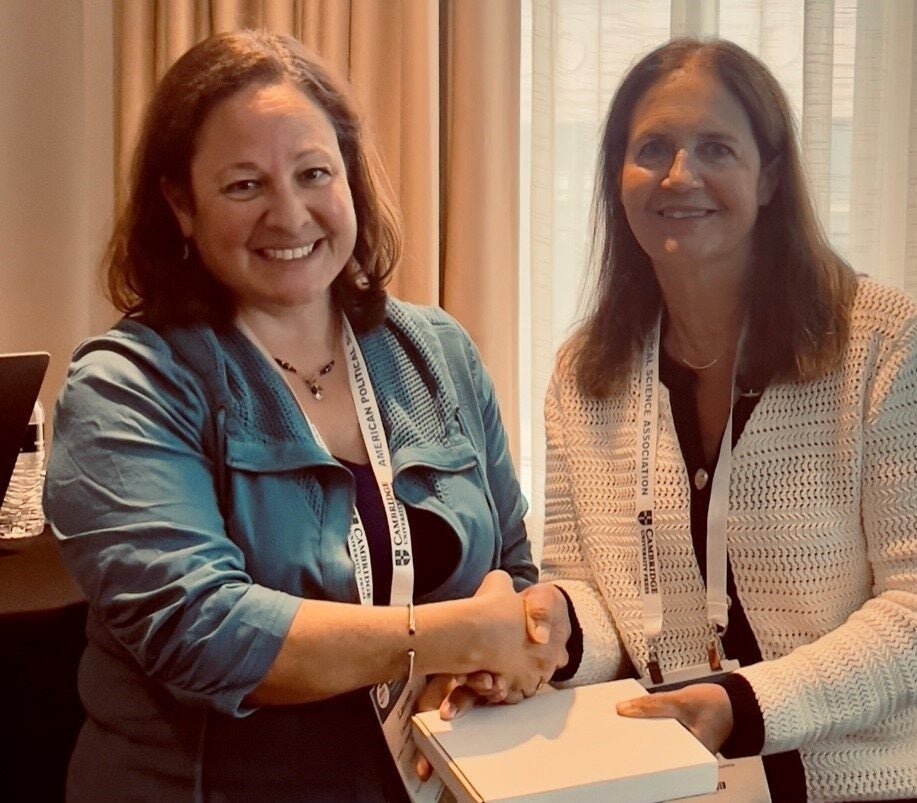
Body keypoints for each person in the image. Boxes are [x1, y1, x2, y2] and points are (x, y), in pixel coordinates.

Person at [44, 30, 563, 802]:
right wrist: (451, 635)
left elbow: (513, 570)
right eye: (244, 185)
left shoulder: (437, 352)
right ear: (180, 204)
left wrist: (533, 628)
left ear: (349, 179)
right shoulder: (127, 386)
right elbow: (205, 630)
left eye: (314, 173)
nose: (289, 215)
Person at [533, 38, 916, 802]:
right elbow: (588, 592)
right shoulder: (584, 371)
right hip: (662, 778)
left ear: (769, 175)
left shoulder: (880, 338)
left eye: (715, 148)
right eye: (652, 149)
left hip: (861, 780)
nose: (680, 176)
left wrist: (743, 706)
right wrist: (552, 627)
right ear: (617, 175)